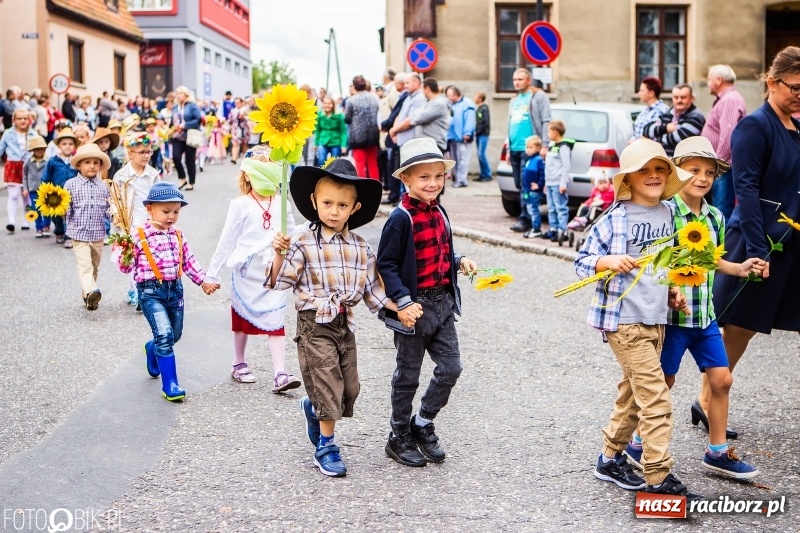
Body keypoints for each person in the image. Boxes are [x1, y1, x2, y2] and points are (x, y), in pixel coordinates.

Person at [622, 136, 762, 481]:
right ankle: (636, 443)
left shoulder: (715, 216)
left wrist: (739, 267)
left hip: (704, 317)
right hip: (672, 318)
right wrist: (669, 289)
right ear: (677, 173)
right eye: (694, 170)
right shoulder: (665, 213)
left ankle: (717, 452)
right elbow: (653, 262)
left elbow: (711, 260)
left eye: (709, 173)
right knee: (664, 382)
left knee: (722, 379)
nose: (702, 178)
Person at [575, 138, 697, 498]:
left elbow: (662, 265)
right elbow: (582, 262)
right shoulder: (617, 218)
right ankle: (658, 478)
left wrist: (672, 291)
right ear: (628, 178)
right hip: (625, 322)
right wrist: (607, 261)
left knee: (633, 393)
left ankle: (609, 459)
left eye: (660, 168)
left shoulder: (668, 213)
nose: (654, 175)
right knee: (656, 398)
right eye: (644, 170)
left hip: (655, 318)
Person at [267, 159, 404, 477]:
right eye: (327, 203)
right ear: (314, 201)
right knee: (328, 387)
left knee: (349, 390)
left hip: (344, 323)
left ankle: (313, 407)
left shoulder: (360, 247)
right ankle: (326, 446)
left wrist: (401, 308)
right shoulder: (301, 242)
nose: (333, 211)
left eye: (342, 205)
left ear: (355, 208)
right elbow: (278, 282)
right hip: (314, 323)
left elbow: (374, 291)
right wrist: (277, 253)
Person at [703, 47, 800, 436]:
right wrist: (759, 252)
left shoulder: (795, 127)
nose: (799, 95)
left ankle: (705, 399)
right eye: (794, 87)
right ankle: (707, 401)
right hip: (755, 239)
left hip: (789, 241)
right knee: (740, 326)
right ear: (772, 83)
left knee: (748, 326)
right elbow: (745, 189)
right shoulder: (754, 127)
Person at [377, 137, 478, 468]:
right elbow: (386, 264)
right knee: (407, 375)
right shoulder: (400, 218)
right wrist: (403, 302)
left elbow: (441, 252)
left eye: (438, 176)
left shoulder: (439, 212)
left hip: (442, 304)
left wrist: (459, 261)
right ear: (406, 178)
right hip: (414, 308)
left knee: (451, 367)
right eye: (424, 177)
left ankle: (422, 423)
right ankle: (398, 435)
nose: (433, 183)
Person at [205, 153, 301, 391]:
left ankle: (280, 373)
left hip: (274, 267)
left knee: (276, 319)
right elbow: (226, 241)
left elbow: (293, 234)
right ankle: (238, 362)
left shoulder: (282, 203)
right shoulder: (240, 205)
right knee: (242, 319)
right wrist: (212, 274)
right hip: (247, 271)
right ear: (247, 176)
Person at [120, 182, 216, 400]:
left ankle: (151, 347)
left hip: (175, 291)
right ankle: (170, 384)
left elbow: (189, 262)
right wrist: (124, 252)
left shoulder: (178, 235)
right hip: (150, 293)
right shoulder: (138, 235)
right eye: (166, 212)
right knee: (164, 335)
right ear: (149, 209)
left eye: (176, 212)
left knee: (175, 334)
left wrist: (204, 281)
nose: (171, 217)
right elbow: (126, 267)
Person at [111, 132, 162, 308]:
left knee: (148, 257)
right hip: (130, 222)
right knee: (133, 257)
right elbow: (115, 198)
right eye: (142, 152)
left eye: (149, 152)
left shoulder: (153, 174)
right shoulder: (121, 175)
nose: (146, 156)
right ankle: (137, 291)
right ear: (130, 153)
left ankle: (142, 290)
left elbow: (160, 196)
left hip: (149, 222)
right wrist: (117, 215)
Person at [63, 144, 111, 311]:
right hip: (78, 234)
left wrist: (117, 218)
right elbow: (66, 208)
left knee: (95, 267)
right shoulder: (70, 185)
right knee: (85, 266)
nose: (92, 166)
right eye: (87, 162)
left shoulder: (104, 186)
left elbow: (108, 210)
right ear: (79, 165)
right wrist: (61, 210)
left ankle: (89, 295)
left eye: (96, 163)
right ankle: (92, 290)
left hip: (98, 234)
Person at [701, 65, 748, 222]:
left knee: (721, 213)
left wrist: (717, 165)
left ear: (719, 80)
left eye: (709, 78)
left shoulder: (730, 100)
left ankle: (724, 239)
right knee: (718, 210)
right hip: (721, 166)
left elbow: (728, 136)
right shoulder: (726, 99)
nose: (707, 83)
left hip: (723, 167)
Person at [508, 69, 551, 232]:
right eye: (514, 79)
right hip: (515, 148)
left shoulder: (538, 96)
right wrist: (508, 148)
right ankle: (528, 215)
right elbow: (510, 124)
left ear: (529, 80)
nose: (516, 82)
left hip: (531, 151)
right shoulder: (514, 100)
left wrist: (545, 144)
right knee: (519, 185)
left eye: (520, 79)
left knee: (527, 186)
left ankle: (525, 219)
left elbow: (546, 120)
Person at [0, 109, 38, 233]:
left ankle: (26, 220)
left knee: (26, 195)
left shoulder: (33, 134)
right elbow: (1, 148)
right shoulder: (8, 133)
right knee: (13, 195)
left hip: (28, 166)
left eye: (25, 118)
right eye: (19, 118)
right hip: (13, 165)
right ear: (14, 120)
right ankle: (11, 221)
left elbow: (39, 151)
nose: (22, 121)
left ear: (29, 120)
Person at [643, 84, 706, 156]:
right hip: (662, 158)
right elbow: (646, 130)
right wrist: (666, 128)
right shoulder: (667, 113)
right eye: (676, 97)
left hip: (682, 160)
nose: (679, 100)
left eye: (683, 97)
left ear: (692, 98)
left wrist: (654, 138)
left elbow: (679, 139)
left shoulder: (696, 116)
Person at [41, 127, 79, 247]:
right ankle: (59, 231)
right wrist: (45, 190)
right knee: (56, 216)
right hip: (56, 194)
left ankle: (69, 236)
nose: (67, 146)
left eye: (70, 144)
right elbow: (46, 177)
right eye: (64, 144)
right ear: (59, 145)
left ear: (74, 146)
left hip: (72, 193)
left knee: (71, 215)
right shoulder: (53, 161)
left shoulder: (76, 161)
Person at [380, 73, 409, 206]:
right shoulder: (403, 96)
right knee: (392, 165)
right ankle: (394, 195)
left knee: (398, 167)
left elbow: (397, 114)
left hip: (398, 135)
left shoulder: (405, 96)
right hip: (394, 134)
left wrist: (387, 125)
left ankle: (398, 196)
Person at [345, 75, 381, 180]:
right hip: (373, 134)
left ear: (354, 86)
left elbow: (347, 118)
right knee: (373, 163)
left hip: (358, 136)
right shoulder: (374, 98)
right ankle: (376, 186)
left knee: (360, 164)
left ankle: (363, 187)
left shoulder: (351, 101)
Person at [542, 120, 572, 244]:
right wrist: (546, 182)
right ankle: (553, 229)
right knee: (551, 208)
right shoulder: (552, 145)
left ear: (555, 132)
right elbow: (548, 166)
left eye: (549, 131)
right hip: (550, 182)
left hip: (558, 183)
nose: (547, 134)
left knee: (560, 208)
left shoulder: (563, 147)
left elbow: (566, 165)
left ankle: (562, 231)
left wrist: (563, 183)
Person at [171, 86, 202, 190]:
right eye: (177, 94)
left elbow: (198, 119)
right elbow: (172, 120)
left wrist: (185, 125)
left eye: (180, 93)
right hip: (177, 136)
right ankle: (182, 178)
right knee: (175, 157)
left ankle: (191, 182)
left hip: (190, 136)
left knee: (189, 160)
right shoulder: (175, 107)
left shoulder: (192, 106)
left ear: (186, 95)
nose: (178, 96)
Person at [445, 86, 476, 188]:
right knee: (456, 160)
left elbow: (470, 120)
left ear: (455, 95)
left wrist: (467, 133)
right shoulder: (452, 104)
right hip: (453, 137)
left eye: (449, 96)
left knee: (463, 159)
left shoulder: (467, 104)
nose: (448, 98)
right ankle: (458, 179)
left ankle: (462, 180)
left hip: (463, 138)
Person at [23, 135, 50, 237]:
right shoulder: (28, 163)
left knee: (46, 208)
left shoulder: (48, 161)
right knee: (35, 209)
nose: (39, 151)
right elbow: (25, 177)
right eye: (37, 149)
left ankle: (46, 226)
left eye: (41, 149)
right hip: (33, 189)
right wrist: (25, 188)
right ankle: (39, 227)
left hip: (46, 189)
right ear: (32, 150)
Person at [521, 135, 545, 239]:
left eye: (531, 147)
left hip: (534, 192)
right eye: (527, 147)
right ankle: (534, 227)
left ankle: (536, 229)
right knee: (530, 210)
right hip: (527, 190)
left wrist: (539, 185)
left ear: (538, 148)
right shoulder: (529, 160)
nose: (528, 150)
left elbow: (542, 174)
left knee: (534, 210)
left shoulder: (538, 160)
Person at [631, 77, 670, 141]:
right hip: (637, 146)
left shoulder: (663, 110)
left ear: (651, 93)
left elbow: (660, 134)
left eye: (642, 91)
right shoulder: (645, 111)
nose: (639, 94)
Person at [315, 96, 347, 165]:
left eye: (329, 103)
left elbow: (343, 132)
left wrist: (343, 145)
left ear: (333, 104)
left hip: (336, 142)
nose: (327, 105)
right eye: (325, 103)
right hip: (323, 141)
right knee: (321, 160)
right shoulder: (319, 115)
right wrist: (316, 144)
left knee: (335, 163)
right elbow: (317, 130)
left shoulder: (339, 115)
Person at [474, 92, 492, 182]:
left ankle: (488, 174)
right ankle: (482, 174)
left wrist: (478, 131)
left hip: (483, 134)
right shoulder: (479, 109)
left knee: (482, 154)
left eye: (476, 97)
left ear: (480, 99)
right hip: (478, 134)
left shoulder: (484, 108)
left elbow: (485, 122)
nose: (474, 98)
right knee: (479, 155)